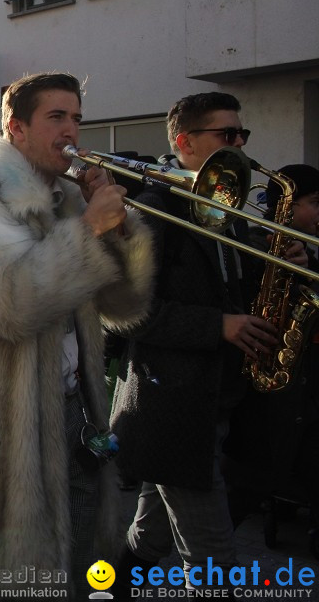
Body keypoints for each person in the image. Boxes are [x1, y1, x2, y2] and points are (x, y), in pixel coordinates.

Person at [0, 72, 155, 597]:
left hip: (76, 413)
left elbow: (125, 307)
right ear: (15, 128)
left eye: (76, 118)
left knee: (78, 571)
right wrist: (88, 230)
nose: (71, 130)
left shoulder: (68, 197)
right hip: (4, 433)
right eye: (56, 117)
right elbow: (12, 306)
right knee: (14, 584)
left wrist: (119, 233)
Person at [110, 92, 308, 593]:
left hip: (220, 400)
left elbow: (237, 288)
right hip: (173, 409)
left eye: (242, 135)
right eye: (226, 135)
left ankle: (106, 588)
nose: (239, 144)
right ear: (185, 143)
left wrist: (283, 266)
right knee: (215, 561)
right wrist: (219, 326)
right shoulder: (152, 211)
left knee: (149, 538)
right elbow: (124, 314)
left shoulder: (231, 209)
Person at [224, 163, 319, 546]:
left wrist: (309, 267)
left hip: (300, 391)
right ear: (288, 207)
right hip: (265, 391)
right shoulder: (252, 245)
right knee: (247, 486)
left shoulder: (308, 251)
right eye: (314, 203)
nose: (318, 213)